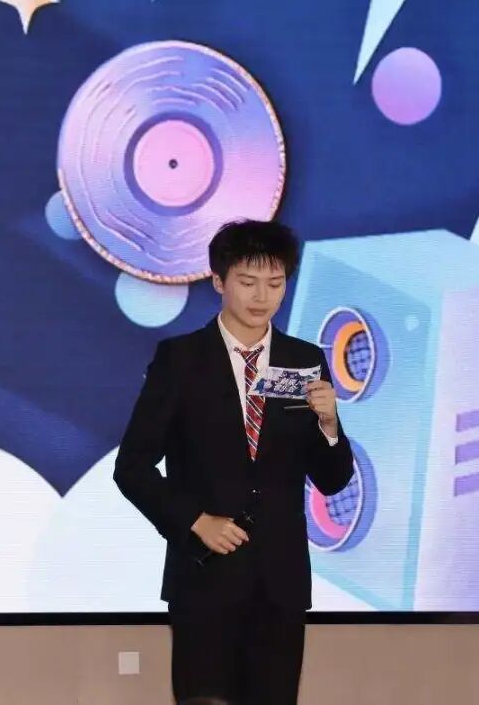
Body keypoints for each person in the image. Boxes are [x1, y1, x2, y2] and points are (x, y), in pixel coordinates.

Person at [114, 220, 354, 705]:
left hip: (281, 583)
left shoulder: (303, 360)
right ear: (219, 281)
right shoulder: (181, 360)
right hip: (204, 578)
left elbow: (332, 481)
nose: (262, 296)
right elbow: (132, 467)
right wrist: (195, 520)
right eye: (248, 282)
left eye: (275, 282)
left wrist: (330, 425)